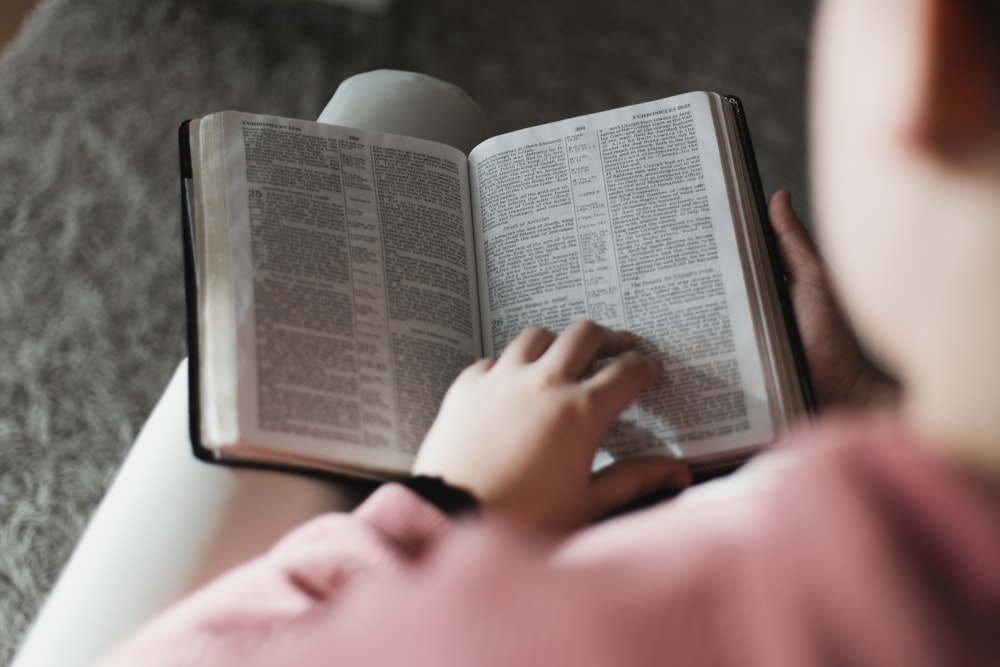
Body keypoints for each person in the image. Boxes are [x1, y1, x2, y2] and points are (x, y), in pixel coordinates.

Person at [100, 0, 1000, 663]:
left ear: (929, 54)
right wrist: (849, 406)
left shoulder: (531, 630)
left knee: (390, 110)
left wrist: (453, 506)